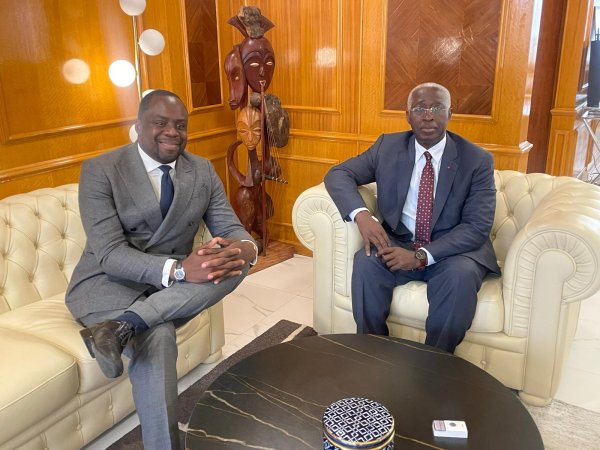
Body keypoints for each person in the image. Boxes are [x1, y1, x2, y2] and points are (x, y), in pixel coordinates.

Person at [66, 89, 258, 449]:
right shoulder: (101, 170)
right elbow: (109, 253)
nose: (172, 132)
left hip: (168, 291)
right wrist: (180, 270)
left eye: (180, 125)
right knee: (159, 335)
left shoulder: (201, 170)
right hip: (107, 285)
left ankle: (123, 326)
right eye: (160, 123)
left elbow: (230, 228)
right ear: (139, 126)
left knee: (237, 264)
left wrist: (244, 249)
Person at [324, 82, 500, 353]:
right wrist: (362, 216)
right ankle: (372, 352)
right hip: (401, 240)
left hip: (452, 250)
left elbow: (476, 227)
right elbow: (338, 174)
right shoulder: (387, 147)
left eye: (437, 108)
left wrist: (420, 256)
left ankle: (434, 362)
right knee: (367, 261)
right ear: (407, 116)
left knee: (460, 276)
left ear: (450, 114)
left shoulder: (476, 160)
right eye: (419, 108)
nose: (428, 116)